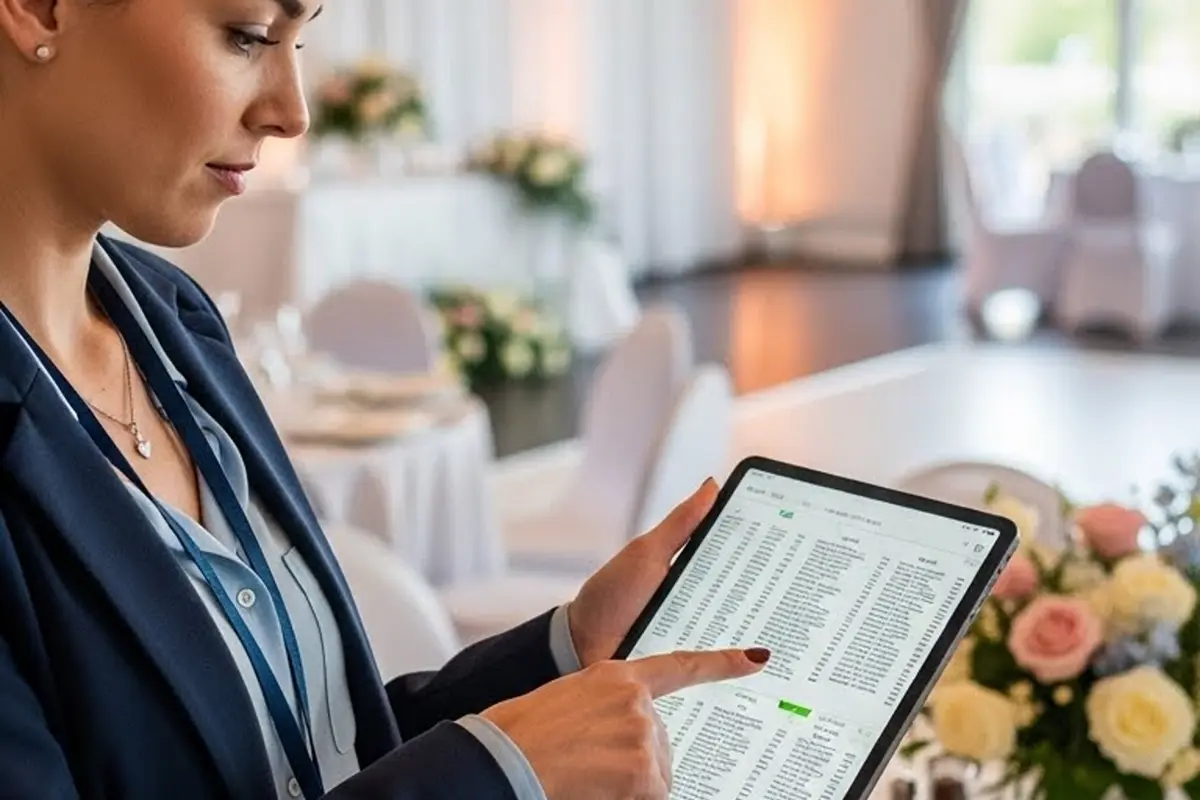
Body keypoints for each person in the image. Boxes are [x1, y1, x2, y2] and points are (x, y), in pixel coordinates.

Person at [0, 1, 772, 798]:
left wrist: (566, 648)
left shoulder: (173, 321)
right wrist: (496, 775)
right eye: (249, 36)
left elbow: (323, 753)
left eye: (299, 43)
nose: (291, 112)